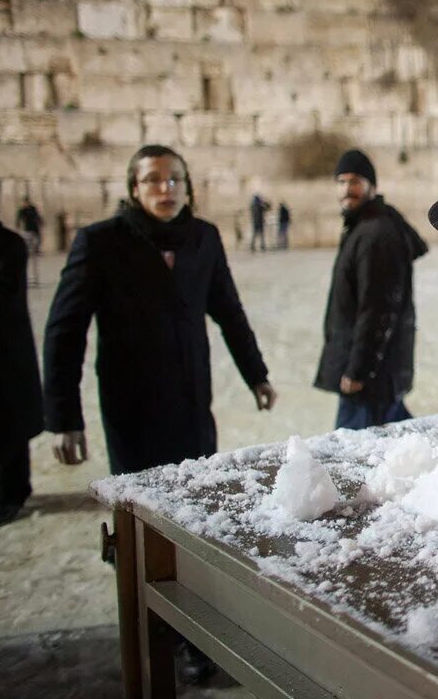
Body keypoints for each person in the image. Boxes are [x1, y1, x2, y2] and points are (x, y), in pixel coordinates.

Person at [43, 145, 277, 683]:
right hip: (132, 408)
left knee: (196, 516)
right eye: (152, 180)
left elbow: (228, 310)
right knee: (142, 521)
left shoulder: (204, 238)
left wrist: (256, 373)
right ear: (133, 188)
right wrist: (64, 416)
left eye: (174, 179)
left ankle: (195, 633)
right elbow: (64, 330)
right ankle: (153, 627)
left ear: (187, 186)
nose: (165, 189)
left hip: (193, 404)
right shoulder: (100, 243)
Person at [315, 149, 427, 430]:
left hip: (369, 382)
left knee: (351, 461)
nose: (346, 190)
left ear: (372, 186)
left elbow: (378, 309)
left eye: (355, 181)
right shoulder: (364, 228)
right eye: (340, 182)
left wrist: (358, 371)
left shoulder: (375, 235)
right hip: (378, 377)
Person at [0, 204, 43, 527]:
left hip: (1, 357)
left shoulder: (7, 244)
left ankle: (12, 493)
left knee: (6, 429)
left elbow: (0, 300)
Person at [15, 195, 42, 286]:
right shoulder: (22, 210)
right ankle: (29, 252)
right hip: (28, 230)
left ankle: (36, 250)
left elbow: (37, 216)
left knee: (37, 241)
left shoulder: (33, 208)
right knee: (29, 243)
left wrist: (41, 222)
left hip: (35, 229)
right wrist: (18, 226)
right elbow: (18, 219)